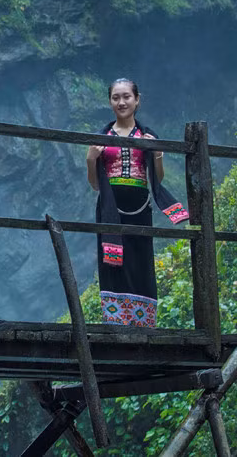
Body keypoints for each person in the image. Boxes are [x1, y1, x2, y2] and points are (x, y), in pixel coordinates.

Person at [86, 78, 188, 327]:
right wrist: (91, 159)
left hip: (141, 210)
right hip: (109, 211)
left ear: (137, 99)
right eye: (116, 97)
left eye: (126, 97)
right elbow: (96, 185)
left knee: (141, 263)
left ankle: (143, 325)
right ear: (110, 102)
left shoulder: (147, 136)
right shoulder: (101, 138)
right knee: (113, 265)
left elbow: (157, 179)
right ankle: (115, 323)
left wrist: (157, 154)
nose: (121, 102)